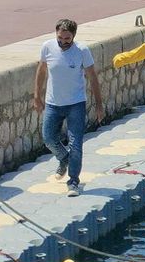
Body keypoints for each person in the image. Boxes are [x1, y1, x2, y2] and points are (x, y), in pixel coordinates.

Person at [33, 18, 103, 197]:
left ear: (73, 37)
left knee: (76, 144)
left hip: (76, 104)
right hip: (52, 103)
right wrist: (37, 96)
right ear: (56, 33)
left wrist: (99, 105)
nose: (63, 42)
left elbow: (92, 77)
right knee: (48, 138)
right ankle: (64, 159)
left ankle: (73, 181)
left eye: (67, 39)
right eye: (60, 38)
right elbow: (41, 71)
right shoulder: (47, 47)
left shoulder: (82, 51)